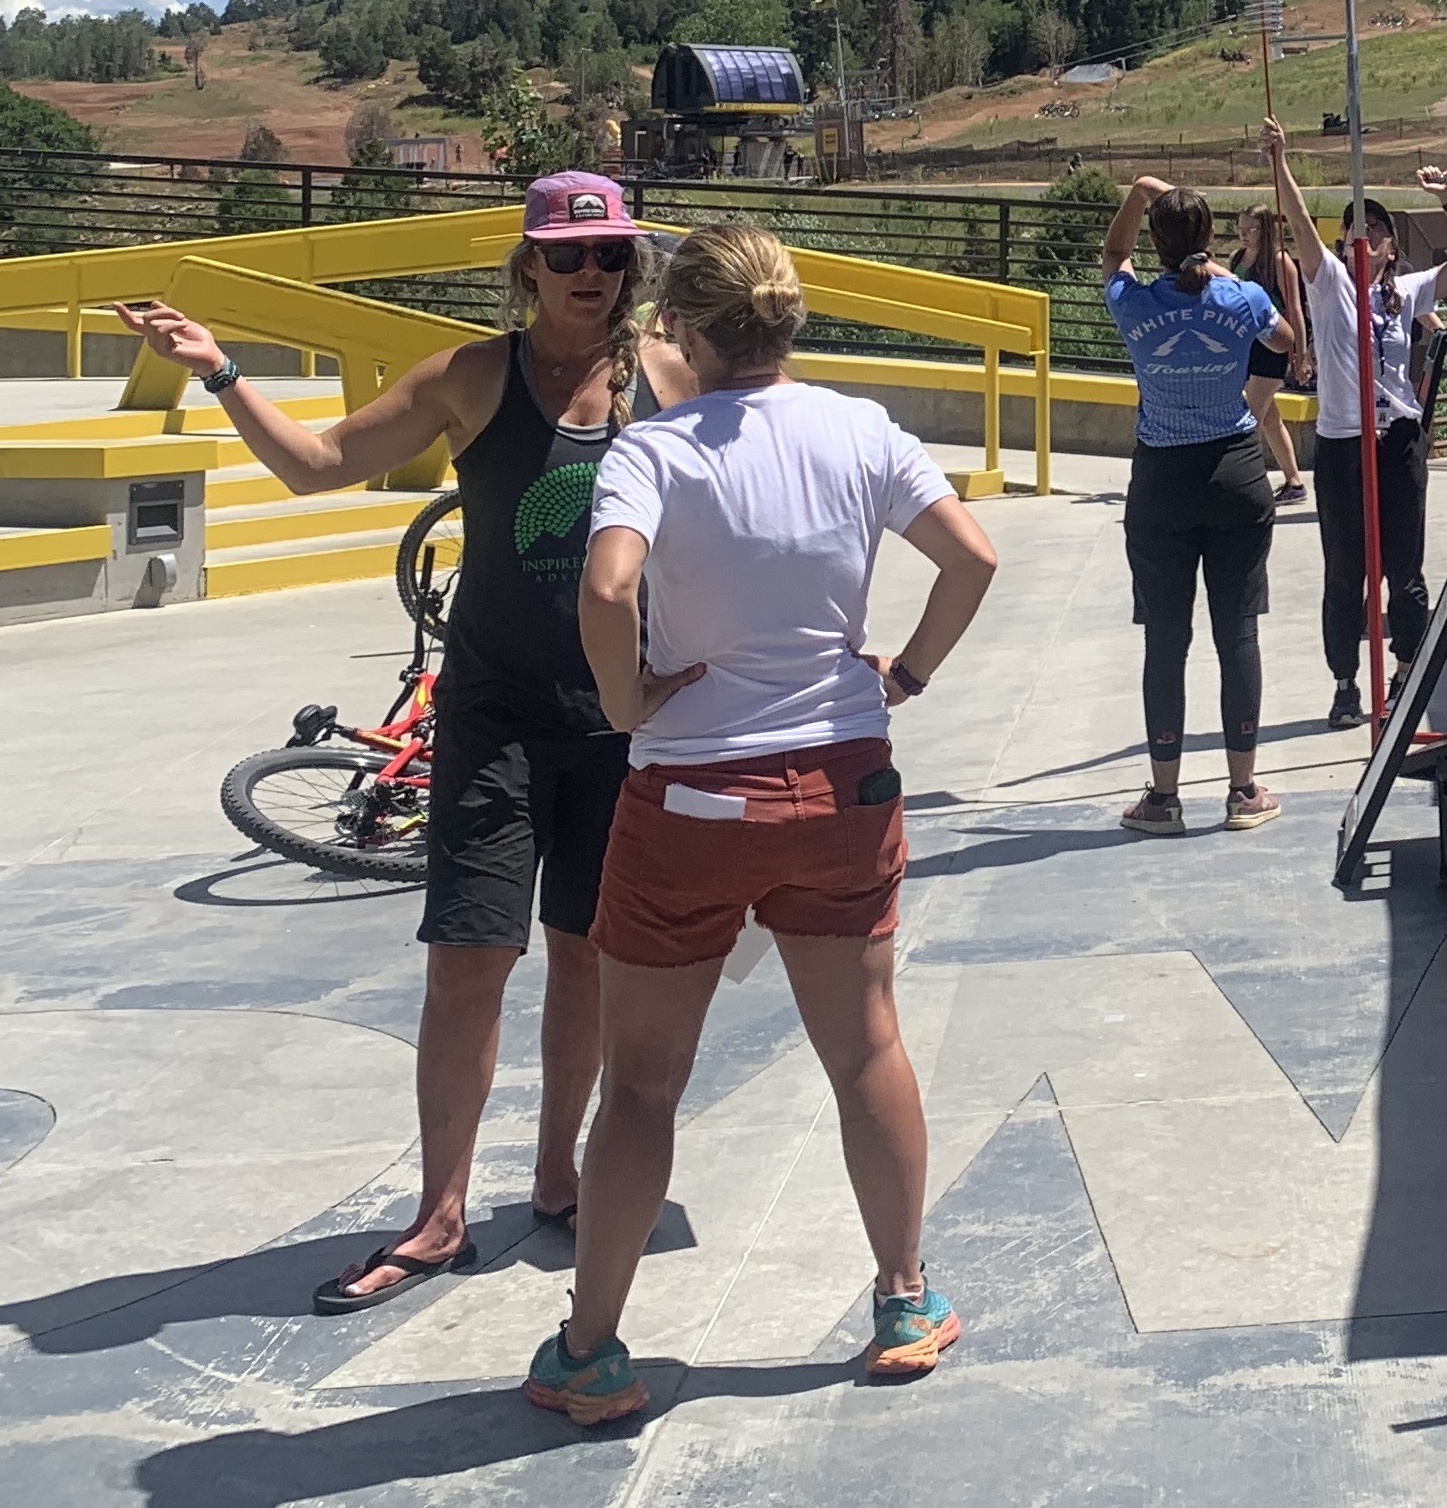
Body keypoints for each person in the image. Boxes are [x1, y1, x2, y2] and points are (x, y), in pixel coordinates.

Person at [118, 170, 679, 1315]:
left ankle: (559, 1178)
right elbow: (316, 463)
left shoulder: (667, 379)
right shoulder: (473, 376)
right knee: (468, 959)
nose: (590, 274)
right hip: (496, 715)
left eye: (611, 255)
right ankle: (440, 1213)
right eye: (566, 255)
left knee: (585, 953)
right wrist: (220, 371)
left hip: (621, 721)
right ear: (527, 266)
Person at [531, 225, 1002, 1426]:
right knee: (867, 1049)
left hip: (689, 799)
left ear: (683, 330)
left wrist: (627, 702)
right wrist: (906, 676)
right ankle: (904, 1300)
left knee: (642, 1087)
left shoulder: (655, 449)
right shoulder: (861, 430)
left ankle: (591, 1352)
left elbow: (607, 587)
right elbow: (971, 558)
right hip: (840, 786)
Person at [1260, 116, 1447, 727]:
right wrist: (1281, 162)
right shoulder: (1331, 285)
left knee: (1405, 569)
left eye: (1377, 231)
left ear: (1390, 247)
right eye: (1353, 232)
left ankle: (1406, 671)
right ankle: (1344, 682)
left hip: (1399, 441)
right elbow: (1300, 228)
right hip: (1342, 444)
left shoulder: (1406, 292)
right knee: (1346, 571)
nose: (1364, 239)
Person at [1104, 173, 1282, 835]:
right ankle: (1242, 791)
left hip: (1161, 481)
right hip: (1236, 472)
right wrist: (1234, 286)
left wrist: (1140, 193)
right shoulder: (1243, 297)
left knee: (1166, 640)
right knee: (1237, 634)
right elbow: (1285, 340)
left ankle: (1165, 797)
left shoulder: (1133, 302)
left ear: (1156, 242)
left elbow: (1113, 254)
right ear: (1211, 237)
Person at [1230, 203, 1313, 505]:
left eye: (1251, 229)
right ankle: (1294, 481)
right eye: (1240, 228)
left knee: (1250, 416)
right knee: (1269, 418)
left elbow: (1295, 309)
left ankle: (1241, 482)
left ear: (1265, 230)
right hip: (1247, 345)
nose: (1244, 235)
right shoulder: (1237, 258)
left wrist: (1301, 353)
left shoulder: (1280, 261)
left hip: (1273, 345)